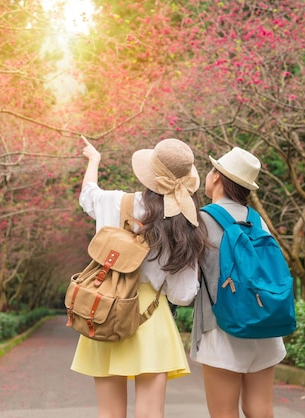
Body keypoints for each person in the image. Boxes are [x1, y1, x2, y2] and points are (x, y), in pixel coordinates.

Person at [71, 136, 207, 418]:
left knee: (109, 413)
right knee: (150, 414)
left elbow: (88, 195)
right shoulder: (182, 223)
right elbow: (182, 296)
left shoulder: (114, 201)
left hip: (106, 309)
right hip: (149, 316)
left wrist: (94, 159)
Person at [190, 147, 287, 418]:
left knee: (224, 412)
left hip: (222, 328)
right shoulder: (257, 222)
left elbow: (188, 284)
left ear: (218, 177)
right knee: (260, 409)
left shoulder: (201, 220)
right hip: (265, 324)